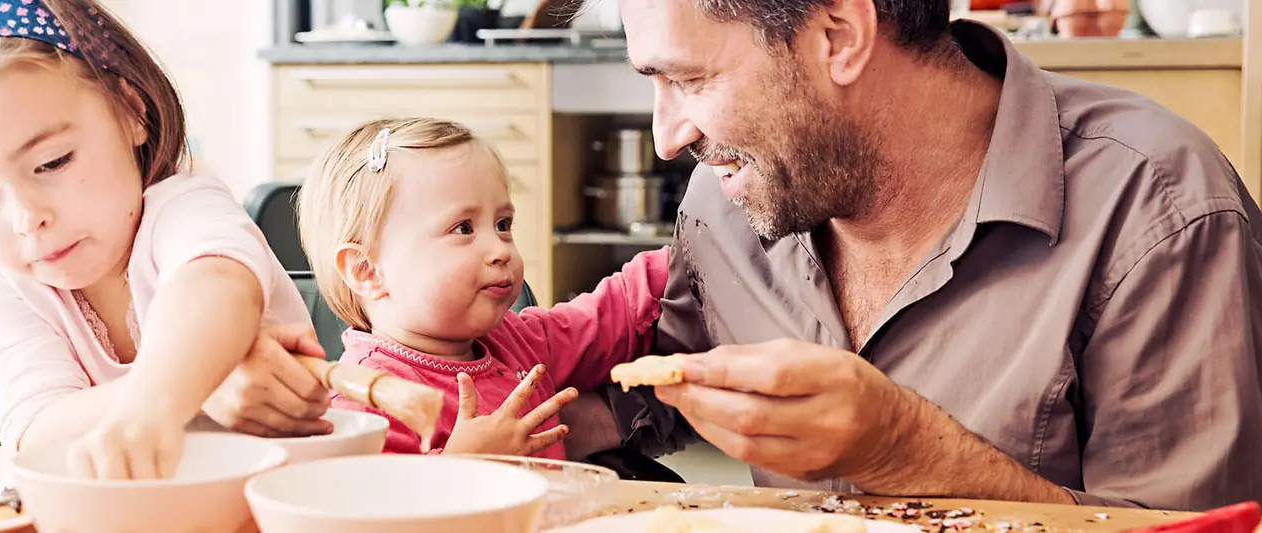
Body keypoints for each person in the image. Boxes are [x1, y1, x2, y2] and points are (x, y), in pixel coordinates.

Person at [575, 0, 1262, 510]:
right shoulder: (727, 199)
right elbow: (666, 385)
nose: (667, 136)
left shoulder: (1159, 209)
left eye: (689, 80)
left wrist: (904, 450)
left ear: (839, 36)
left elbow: (1188, 528)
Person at [0, 0, 331, 479]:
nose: (27, 217)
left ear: (131, 112)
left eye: (53, 162)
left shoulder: (186, 209)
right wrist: (200, 387)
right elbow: (36, 426)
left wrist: (160, 399)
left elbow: (216, 289)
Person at [295, 117, 670, 458]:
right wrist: (463, 463)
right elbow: (375, 511)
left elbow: (601, 321)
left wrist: (679, 260)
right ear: (367, 271)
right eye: (464, 229)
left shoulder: (512, 339)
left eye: (503, 224)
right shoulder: (365, 402)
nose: (500, 249)